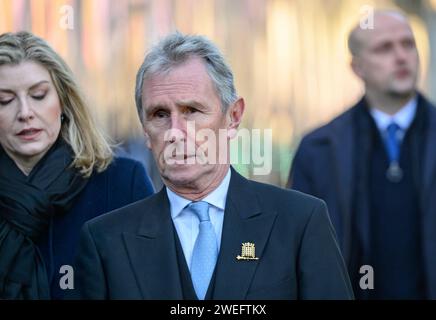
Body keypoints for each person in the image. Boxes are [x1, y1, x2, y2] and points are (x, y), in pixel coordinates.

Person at [71, 32, 353, 300]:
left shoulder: (301, 222)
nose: (176, 132)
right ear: (145, 130)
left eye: (191, 111)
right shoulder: (106, 242)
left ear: (233, 116)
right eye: (159, 114)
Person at [288, 11, 436, 299]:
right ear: (357, 67)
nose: (401, 56)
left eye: (408, 44)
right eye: (384, 48)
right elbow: (300, 254)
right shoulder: (319, 150)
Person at [0, 31, 154, 299]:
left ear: (63, 101)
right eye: (5, 100)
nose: (25, 112)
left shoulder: (122, 184)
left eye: (38, 95)